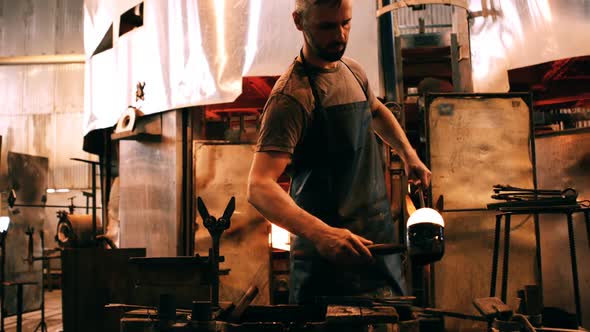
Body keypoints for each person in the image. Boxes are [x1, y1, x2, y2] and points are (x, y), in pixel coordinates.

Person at [247, 0, 431, 305]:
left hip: (378, 250)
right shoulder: (291, 97)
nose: (340, 35)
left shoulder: (353, 72)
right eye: (327, 27)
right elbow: (259, 186)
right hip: (326, 268)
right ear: (298, 21)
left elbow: (376, 111)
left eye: (345, 23)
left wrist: (409, 155)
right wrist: (322, 234)